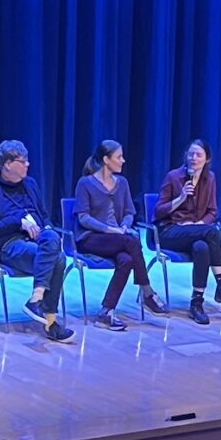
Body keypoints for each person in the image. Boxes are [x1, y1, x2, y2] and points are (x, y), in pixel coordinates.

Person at [0, 140, 76, 343]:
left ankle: (36, 299)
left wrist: (45, 228)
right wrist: (17, 222)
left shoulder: (31, 184)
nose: (28, 164)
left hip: (41, 240)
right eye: (23, 161)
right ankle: (51, 322)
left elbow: (44, 216)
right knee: (60, 259)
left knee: (52, 236)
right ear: (7, 164)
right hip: (10, 244)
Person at [74, 140, 169, 330]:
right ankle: (147, 292)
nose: (123, 161)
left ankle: (106, 311)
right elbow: (83, 218)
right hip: (91, 238)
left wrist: (124, 226)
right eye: (119, 157)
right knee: (132, 241)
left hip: (119, 239)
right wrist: (110, 229)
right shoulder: (85, 183)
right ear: (106, 159)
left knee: (126, 259)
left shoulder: (122, 183)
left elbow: (129, 212)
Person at [153, 139, 221, 325]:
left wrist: (199, 225)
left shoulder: (209, 178)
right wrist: (181, 198)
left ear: (206, 159)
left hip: (197, 232)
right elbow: (159, 211)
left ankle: (196, 303)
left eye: (198, 155)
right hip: (170, 231)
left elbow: (212, 211)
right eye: (191, 154)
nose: (194, 158)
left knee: (202, 247)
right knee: (212, 233)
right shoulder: (173, 177)